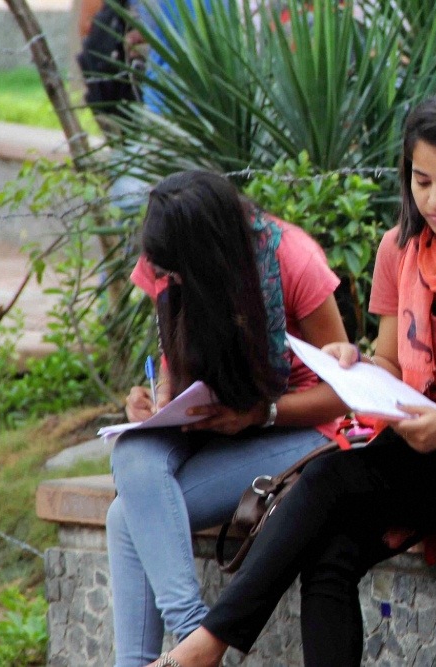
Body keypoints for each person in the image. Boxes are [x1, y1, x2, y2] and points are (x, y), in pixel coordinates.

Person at [148, 91, 436, 667]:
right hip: (416, 445)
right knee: (329, 555)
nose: (434, 199)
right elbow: (394, 366)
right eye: (421, 181)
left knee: (326, 481)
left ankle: (207, 644)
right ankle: (207, 646)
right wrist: (359, 364)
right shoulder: (400, 250)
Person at [107, 170, 351, 666]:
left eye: (178, 272)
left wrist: (261, 413)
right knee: (133, 451)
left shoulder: (291, 260)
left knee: (124, 515)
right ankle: (192, 631)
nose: (168, 281)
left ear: (209, 252)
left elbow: (343, 396)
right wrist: (156, 402)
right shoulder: (166, 261)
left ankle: (183, 648)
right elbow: (177, 354)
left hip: (297, 426)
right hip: (205, 419)